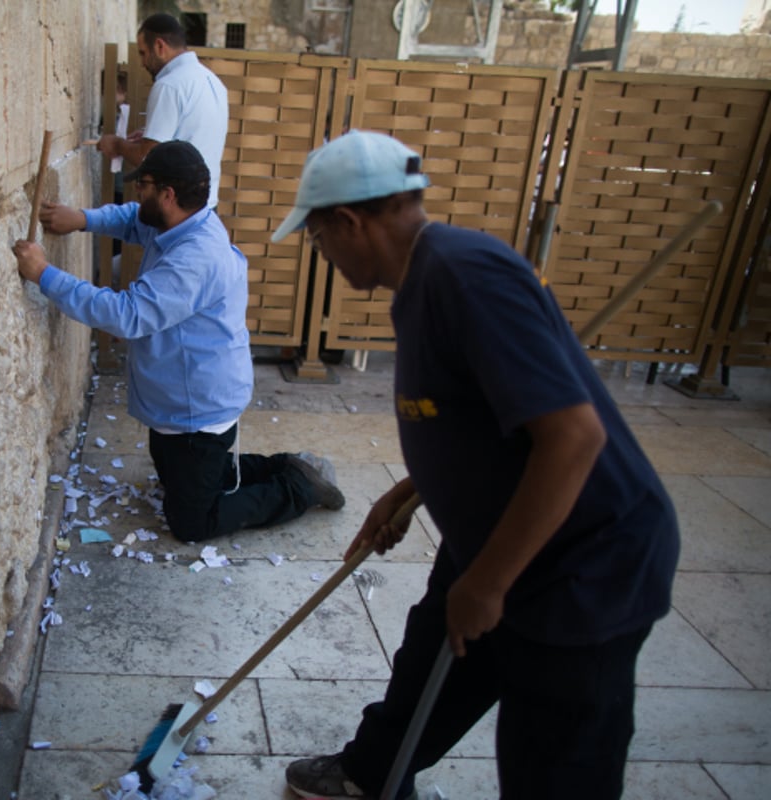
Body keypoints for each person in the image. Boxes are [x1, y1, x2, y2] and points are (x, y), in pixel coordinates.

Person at [269, 131, 680, 799]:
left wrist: (488, 583)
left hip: (583, 567)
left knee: (553, 762)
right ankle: (372, 775)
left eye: (317, 238)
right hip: (494, 534)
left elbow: (574, 438)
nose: (322, 253)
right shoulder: (423, 279)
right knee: (433, 662)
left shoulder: (464, 276)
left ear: (348, 221)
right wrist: (412, 489)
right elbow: (475, 415)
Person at [13, 140, 344, 542]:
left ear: (168, 195)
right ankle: (290, 466)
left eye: (145, 185)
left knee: (191, 522)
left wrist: (45, 274)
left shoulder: (195, 258)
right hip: (180, 404)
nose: (136, 191)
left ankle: (300, 487)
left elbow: (127, 315)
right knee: (190, 478)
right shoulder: (180, 221)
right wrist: (82, 218)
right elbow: (133, 220)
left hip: (198, 408)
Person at [95, 13, 228, 210]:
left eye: (142, 53)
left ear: (159, 46)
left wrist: (117, 144)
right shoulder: (213, 82)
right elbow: (191, 135)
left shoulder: (169, 85)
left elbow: (147, 157)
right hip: (205, 208)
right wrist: (149, 135)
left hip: (177, 210)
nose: (142, 63)